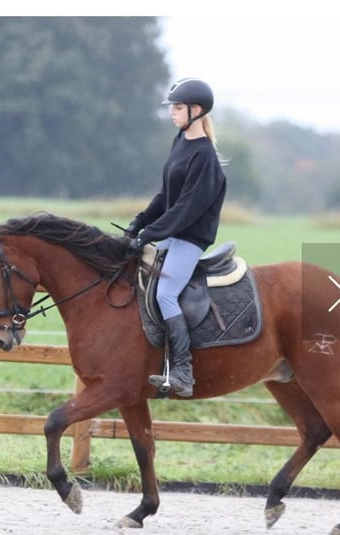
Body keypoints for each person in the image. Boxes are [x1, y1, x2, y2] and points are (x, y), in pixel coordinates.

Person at [125, 78, 227, 398]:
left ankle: (183, 370)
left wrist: (149, 236)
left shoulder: (205, 158)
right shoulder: (180, 142)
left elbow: (185, 210)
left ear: (196, 111)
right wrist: (139, 224)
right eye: (173, 107)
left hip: (190, 239)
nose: (172, 113)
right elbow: (166, 197)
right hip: (171, 234)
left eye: (178, 107)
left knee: (166, 294)